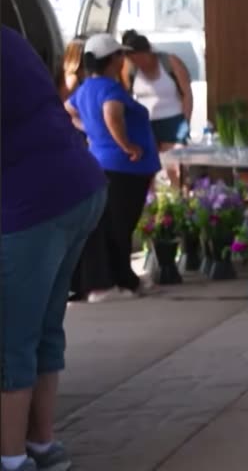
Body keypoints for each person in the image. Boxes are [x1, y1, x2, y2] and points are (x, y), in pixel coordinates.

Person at [1, 27, 108, 471]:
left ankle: (12, 459)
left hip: (31, 202)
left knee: (11, 339)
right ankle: (43, 446)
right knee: (43, 328)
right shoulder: (9, 38)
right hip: (79, 188)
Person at [65, 33, 162, 302]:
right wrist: (126, 144)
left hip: (105, 164)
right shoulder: (110, 89)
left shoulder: (84, 89)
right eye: (120, 55)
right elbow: (112, 114)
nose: (124, 59)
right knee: (118, 226)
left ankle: (122, 279)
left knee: (112, 225)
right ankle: (105, 284)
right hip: (123, 168)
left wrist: (91, 130)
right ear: (112, 60)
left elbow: (67, 111)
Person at [120, 30, 194, 149]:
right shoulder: (130, 69)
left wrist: (185, 122)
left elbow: (187, 94)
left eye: (141, 59)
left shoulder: (170, 62)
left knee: (175, 162)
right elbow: (125, 98)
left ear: (148, 52)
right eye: (134, 61)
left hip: (174, 121)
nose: (139, 64)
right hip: (145, 124)